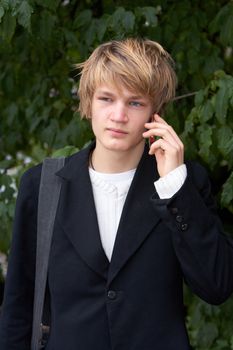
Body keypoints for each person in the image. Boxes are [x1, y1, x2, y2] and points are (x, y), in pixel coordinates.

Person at [0, 37, 233, 350]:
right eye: (106, 99)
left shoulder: (183, 185)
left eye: (135, 102)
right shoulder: (42, 184)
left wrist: (175, 187)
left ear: (156, 112)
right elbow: (18, 305)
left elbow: (217, 287)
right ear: (87, 103)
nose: (119, 116)